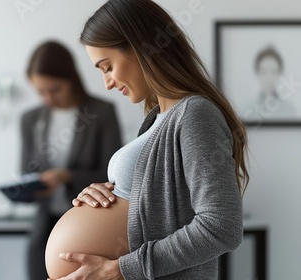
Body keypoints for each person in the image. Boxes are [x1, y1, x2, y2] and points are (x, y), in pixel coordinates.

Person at [47, 0, 249, 279]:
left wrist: (120, 269)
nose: (107, 83)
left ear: (141, 49)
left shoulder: (195, 114)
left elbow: (221, 226)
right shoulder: (156, 120)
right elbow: (147, 208)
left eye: (107, 67)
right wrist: (99, 195)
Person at [21, 41, 122, 280]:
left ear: (72, 80)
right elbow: (25, 171)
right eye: (40, 91)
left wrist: (66, 177)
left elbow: (113, 178)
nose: (48, 98)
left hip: (91, 226)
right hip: (44, 228)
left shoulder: (102, 112)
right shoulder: (30, 119)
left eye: (54, 90)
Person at [245, 46, 299, 120]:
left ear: (279, 73)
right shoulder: (247, 110)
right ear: (257, 72)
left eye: (273, 72)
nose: (268, 77)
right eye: (264, 71)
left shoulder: (290, 111)